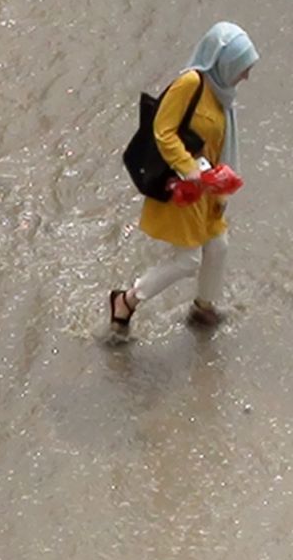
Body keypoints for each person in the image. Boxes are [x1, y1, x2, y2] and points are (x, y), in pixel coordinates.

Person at [108, 22, 259, 336]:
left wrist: (219, 188)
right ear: (224, 62)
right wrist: (190, 169)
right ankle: (126, 300)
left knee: (218, 246)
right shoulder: (191, 83)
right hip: (184, 186)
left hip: (205, 188)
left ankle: (204, 310)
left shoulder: (222, 96)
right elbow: (163, 131)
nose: (245, 76)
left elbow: (215, 145)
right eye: (242, 67)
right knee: (188, 260)